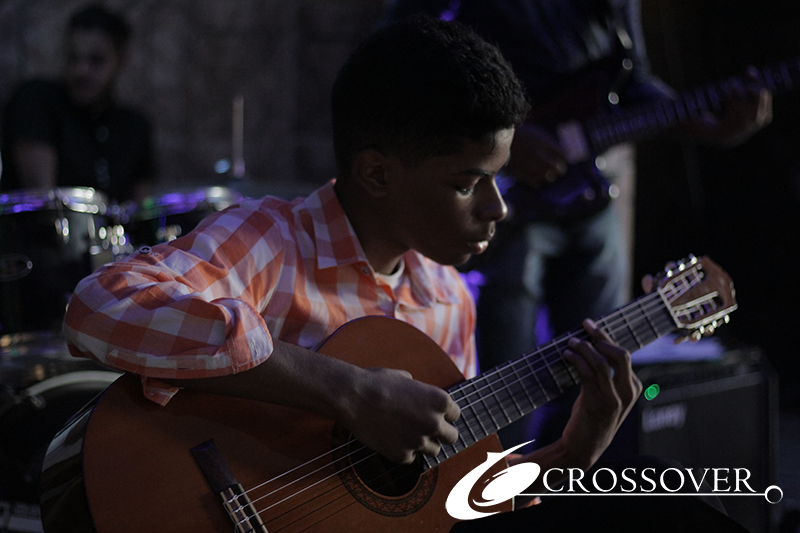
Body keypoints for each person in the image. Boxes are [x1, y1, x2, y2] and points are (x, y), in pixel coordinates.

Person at [62, 16, 745, 532]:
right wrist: (346, 390)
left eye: (499, 177)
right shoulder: (271, 240)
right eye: (467, 183)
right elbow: (99, 305)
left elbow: (449, 500)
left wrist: (569, 454)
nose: (498, 208)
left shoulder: (447, 300)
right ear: (378, 173)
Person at [385, 0, 773, 453]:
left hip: (588, 199)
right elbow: (402, 59)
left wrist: (710, 128)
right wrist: (506, 138)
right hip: (508, 202)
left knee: (597, 372)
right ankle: (483, 492)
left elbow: (631, 81)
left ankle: (560, 490)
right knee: (503, 392)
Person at [0, 3, 154, 203]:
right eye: (73, 57)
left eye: (96, 60)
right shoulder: (36, 99)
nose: (81, 71)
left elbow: (141, 208)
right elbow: (43, 201)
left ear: (121, 60)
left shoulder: (135, 127)